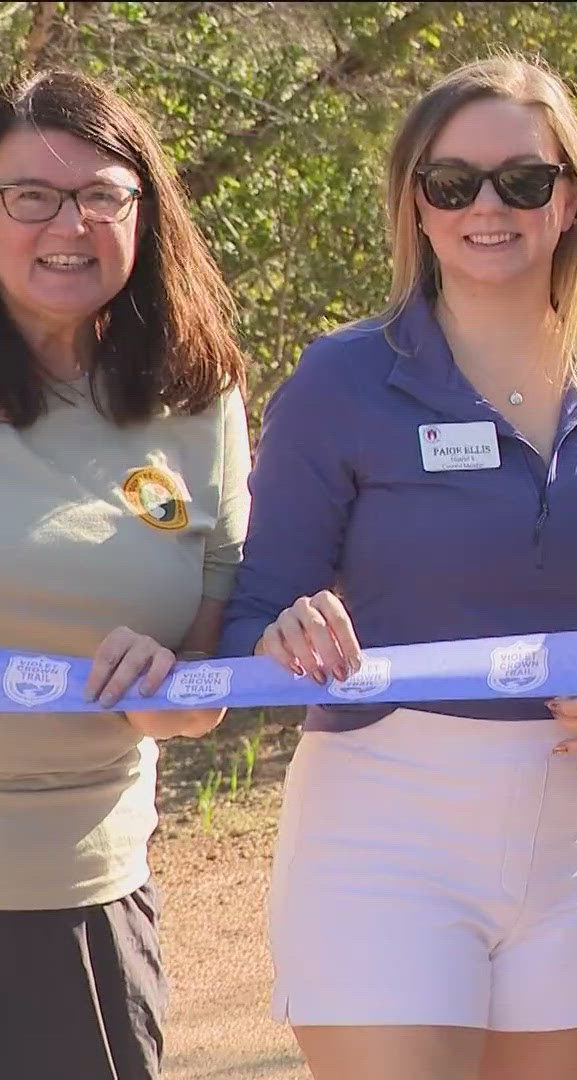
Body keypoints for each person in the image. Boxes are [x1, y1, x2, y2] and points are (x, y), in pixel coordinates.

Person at [217, 57, 577, 1080]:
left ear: (568, 201)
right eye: (455, 183)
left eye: (523, 181)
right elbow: (250, 619)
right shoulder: (341, 380)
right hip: (384, 830)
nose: (490, 206)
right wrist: (287, 632)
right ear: (418, 204)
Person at [0, 70, 250, 1079]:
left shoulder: (199, 393)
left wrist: (178, 685)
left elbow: (211, 667)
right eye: (29, 196)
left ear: (145, 214)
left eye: (102, 194)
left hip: (83, 896)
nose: (69, 222)